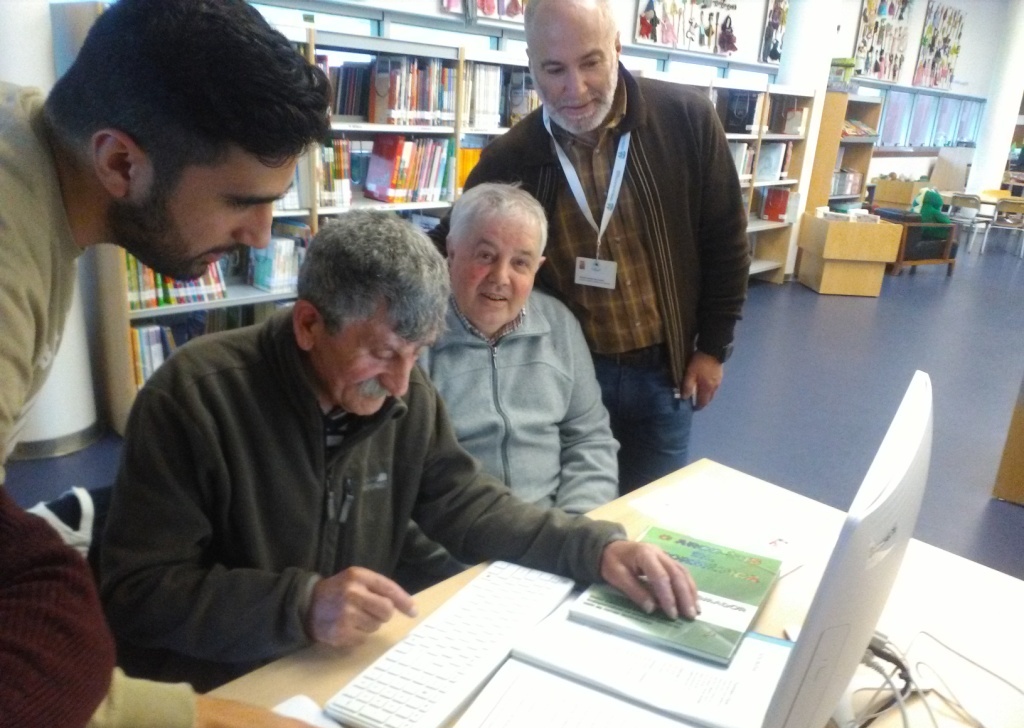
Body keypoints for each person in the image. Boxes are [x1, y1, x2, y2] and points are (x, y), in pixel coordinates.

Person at [100, 211, 700, 692]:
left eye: (417, 353)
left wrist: (595, 548)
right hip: (223, 690)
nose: (399, 383)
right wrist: (301, 605)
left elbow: (466, 503)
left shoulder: (406, 394)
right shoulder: (194, 396)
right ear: (308, 324)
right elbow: (138, 593)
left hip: (343, 667)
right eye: (382, 353)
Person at [0, 0, 358, 728]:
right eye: (242, 202)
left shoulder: (31, 148)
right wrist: (196, 723)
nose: (259, 237)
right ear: (120, 164)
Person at [430, 0, 750, 494]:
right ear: (532, 65)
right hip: (568, 372)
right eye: (554, 69)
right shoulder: (511, 157)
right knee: (578, 506)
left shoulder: (687, 120)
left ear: (617, 48)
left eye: (591, 63)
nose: (575, 89)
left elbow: (726, 241)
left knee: (651, 510)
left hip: (665, 370)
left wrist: (712, 347)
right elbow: (446, 244)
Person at [423, 182, 618, 513]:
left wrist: (577, 525)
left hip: (555, 524)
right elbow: (403, 472)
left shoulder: (559, 325)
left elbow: (589, 439)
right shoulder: (414, 338)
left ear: (537, 268)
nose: (500, 277)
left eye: (520, 263)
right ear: (451, 252)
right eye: (486, 256)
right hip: (456, 535)